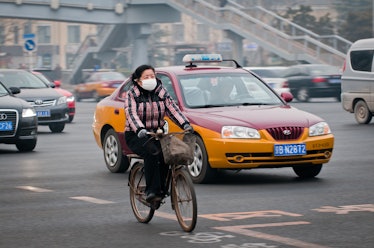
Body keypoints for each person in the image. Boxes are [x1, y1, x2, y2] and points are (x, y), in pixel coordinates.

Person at [124, 64, 193, 203]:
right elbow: (131, 114)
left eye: (152, 76)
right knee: (152, 153)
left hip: (157, 134)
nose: (150, 79)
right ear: (138, 80)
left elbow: (172, 109)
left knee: (167, 154)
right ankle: (152, 191)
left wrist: (185, 124)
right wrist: (139, 129)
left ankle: (162, 188)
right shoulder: (132, 94)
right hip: (137, 134)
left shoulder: (161, 91)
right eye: (146, 77)